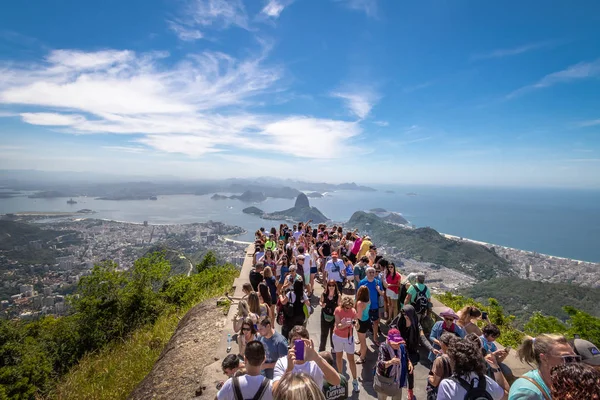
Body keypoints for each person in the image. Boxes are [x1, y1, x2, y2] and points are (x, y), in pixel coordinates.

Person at [272, 326, 341, 390]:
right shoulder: (282, 362)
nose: (297, 345)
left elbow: (336, 381)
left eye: (302, 342)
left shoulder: (316, 361)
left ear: (308, 343)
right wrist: (289, 369)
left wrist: (316, 358)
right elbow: (275, 391)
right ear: (289, 344)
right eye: (294, 341)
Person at [509, 334, 576, 400]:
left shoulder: (559, 383)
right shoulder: (528, 392)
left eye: (576, 358)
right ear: (544, 358)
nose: (574, 363)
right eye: (568, 358)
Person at [390, 305, 435, 400]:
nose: (404, 315)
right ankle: (396, 387)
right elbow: (392, 330)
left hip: (412, 351)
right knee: (397, 370)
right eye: (403, 313)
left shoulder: (417, 325)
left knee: (410, 372)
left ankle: (410, 390)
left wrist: (431, 348)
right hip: (400, 349)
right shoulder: (399, 320)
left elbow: (422, 338)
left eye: (406, 314)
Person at [436, 339, 507, 400]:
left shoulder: (447, 385)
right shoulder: (486, 381)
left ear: (454, 362)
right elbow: (506, 396)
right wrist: (496, 368)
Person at [374, 328, 411, 400]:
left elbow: (406, 355)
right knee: (382, 397)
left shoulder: (402, 347)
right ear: (389, 341)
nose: (398, 345)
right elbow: (380, 364)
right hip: (385, 381)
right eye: (395, 343)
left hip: (398, 380)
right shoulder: (383, 347)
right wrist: (391, 362)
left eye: (399, 343)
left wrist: (409, 362)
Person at [332, 297, 360, 393]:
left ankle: (355, 380)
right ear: (343, 306)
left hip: (349, 338)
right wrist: (347, 324)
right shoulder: (338, 310)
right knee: (338, 357)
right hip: (338, 337)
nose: (348, 309)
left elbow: (357, 324)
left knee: (351, 359)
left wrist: (356, 324)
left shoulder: (353, 311)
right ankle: (340, 378)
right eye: (346, 308)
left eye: (349, 308)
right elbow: (338, 325)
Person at [357, 266, 384, 346]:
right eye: (370, 272)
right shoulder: (362, 282)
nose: (372, 274)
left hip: (374, 306)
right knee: (363, 323)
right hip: (364, 307)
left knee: (375, 323)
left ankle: (375, 338)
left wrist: (378, 289)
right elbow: (358, 295)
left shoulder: (377, 282)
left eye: (373, 272)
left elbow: (382, 294)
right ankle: (361, 338)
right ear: (366, 273)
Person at [426, 332, 457, 399]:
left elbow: (435, 382)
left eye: (441, 342)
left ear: (444, 344)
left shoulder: (440, 360)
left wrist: (429, 377)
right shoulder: (458, 357)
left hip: (441, 392)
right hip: (454, 392)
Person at [319, 279, 340, 352]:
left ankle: (333, 347)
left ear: (335, 286)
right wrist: (322, 305)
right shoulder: (324, 294)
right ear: (327, 286)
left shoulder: (338, 295)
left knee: (333, 333)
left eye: (333, 285)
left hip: (334, 316)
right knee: (324, 333)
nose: (331, 287)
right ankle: (322, 349)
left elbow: (340, 306)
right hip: (324, 315)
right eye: (329, 285)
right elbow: (320, 302)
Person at [355, 285, 371, 364]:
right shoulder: (368, 300)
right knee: (362, 338)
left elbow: (359, 316)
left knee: (363, 341)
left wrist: (353, 315)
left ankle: (362, 357)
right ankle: (360, 351)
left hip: (361, 323)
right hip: (367, 320)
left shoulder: (360, 303)